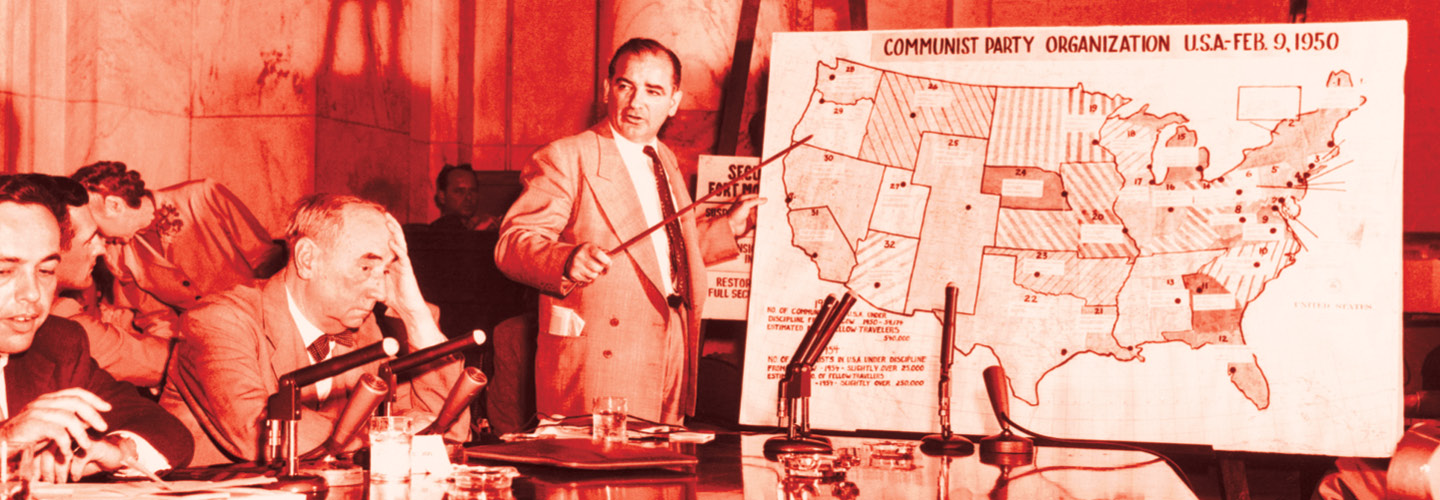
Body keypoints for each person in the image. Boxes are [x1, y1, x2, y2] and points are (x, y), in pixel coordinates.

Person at [495, 38, 761, 425]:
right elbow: (513, 244)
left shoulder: (664, 157)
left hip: (670, 346)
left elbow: (654, 252)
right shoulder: (567, 156)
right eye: (626, 86)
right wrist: (566, 259)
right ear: (607, 89)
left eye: (653, 91)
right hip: (602, 356)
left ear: (673, 101)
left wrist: (728, 229)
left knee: (659, 475)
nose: (637, 103)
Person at [161, 194, 469, 466]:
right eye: (366, 268)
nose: (378, 290)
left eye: (386, 270)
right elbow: (259, 429)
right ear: (308, 259)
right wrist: (385, 434)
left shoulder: (365, 330)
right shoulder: (218, 320)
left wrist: (414, 314)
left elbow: (445, 432)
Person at [0, 175, 192, 483]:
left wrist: (113, 448)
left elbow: (167, 430)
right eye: (5, 271)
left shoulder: (58, 342)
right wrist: (6, 442)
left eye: (46, 270)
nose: (33, 293)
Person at [70, 161, 280, 342]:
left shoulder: (203, 196)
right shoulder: (115, 256)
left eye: (94, 225)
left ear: (114, 205)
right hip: (203, 343)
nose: (97, 238)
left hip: (265, 325)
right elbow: (157, 318)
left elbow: (266, 259)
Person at [22, 174, 171, 388]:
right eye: (91, 239)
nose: (101, 249)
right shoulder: (59, 317)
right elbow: (152, 365)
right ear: (51, 248)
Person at [431, 163, 494, 230]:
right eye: (459, 192)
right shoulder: (437, 233)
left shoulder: (480, 226)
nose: (469, 198)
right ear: (442, 196)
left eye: (473, 191)